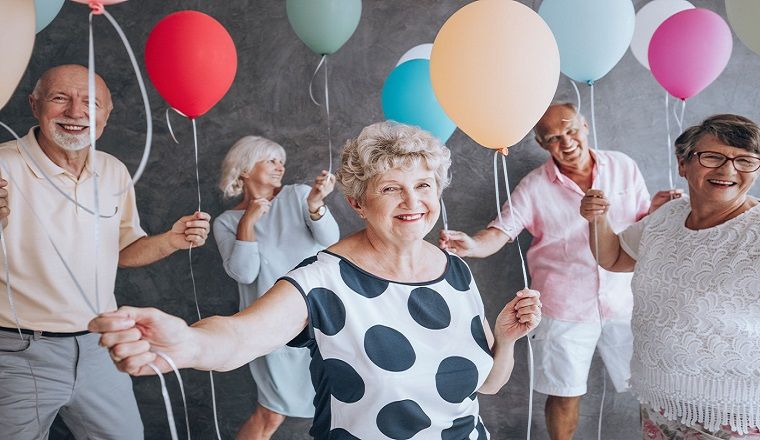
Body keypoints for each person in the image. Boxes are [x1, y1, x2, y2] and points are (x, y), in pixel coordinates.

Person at [90, 121, 542, 439]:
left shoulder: (455, 271)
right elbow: (240, 335)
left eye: (424, 185)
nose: (413, 200)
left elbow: (487, 385)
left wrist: (505, 340)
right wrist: (187, 343)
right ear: (358, 203)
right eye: (391, 188)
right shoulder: (324, 281)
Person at [439, 103, 675, 440]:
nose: (566, 142)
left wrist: (656, 210)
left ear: (585, 124)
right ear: (540, 144)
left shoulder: (623, 166)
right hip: (564, 307)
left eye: (571, 131)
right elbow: (501, 231)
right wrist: (472, 246)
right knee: (565, 393)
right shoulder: (534, 186)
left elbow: (638, 224)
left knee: (650, 388)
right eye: (553, 138)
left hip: (626, 299)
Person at [0, 64, 210, 439]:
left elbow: (124, 250)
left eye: (90, 103)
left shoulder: (113, 171)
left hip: (101, 345)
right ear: (34, 105)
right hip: (17, 351)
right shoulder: (2, 165)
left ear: (106, 116)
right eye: (60, 98)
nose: (75, 113)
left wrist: (172, 240)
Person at [580, 114, 760, 439]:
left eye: (745, 160)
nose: (728, 170)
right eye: (713, 157)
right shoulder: (668, 216)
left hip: (732, 418)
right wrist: (598, 219)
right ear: (683, 164)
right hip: (659, 403)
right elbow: (615, 257)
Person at [213, 135, 340, 439]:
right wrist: (249, 221)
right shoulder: (226, 223)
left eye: (281, 161)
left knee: (341, 405)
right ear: (244, 168)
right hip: (269, 327)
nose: (279, 167)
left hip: (322, 321)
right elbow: (244, 274)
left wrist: (315, 204)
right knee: (271, 414)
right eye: (270, 160)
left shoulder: (298, 195)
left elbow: (331, 239)